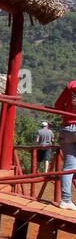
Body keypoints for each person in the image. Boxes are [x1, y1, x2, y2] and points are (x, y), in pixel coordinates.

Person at [55, 80, 76, 212]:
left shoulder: (70, 86)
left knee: (69, 166)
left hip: (67, 128)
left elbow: (57, 106)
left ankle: (66, 200)